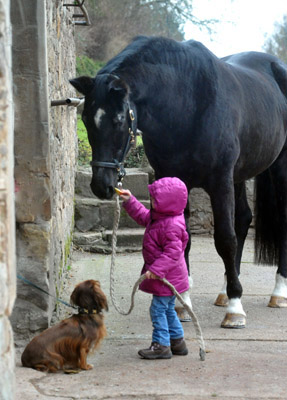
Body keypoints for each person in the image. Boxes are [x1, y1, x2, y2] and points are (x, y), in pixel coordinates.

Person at [119, 176, 190, 359]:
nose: (151, 202)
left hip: (166, 277)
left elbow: (172, 254)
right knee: (167, 309)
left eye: (154, 199)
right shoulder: (161, 216)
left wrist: (157, 270)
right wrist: (130, 201)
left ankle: (161, 345)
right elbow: (143, 216)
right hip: (167, 277)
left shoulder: (172, 226)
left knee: (158, 309)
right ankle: (177, 342)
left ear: (166, 202)